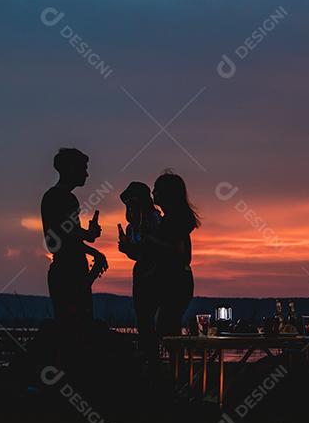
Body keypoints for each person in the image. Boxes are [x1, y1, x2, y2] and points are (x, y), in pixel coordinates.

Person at [40, 147, 106, 325]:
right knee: (78, 325)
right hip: (70, 270)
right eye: (83, 168)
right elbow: (68, 238)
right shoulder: (65, 198)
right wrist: (94, 250)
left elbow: (67, 235)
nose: (86, 174)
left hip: (63, 269)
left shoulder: (53, 196)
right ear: (71, 168)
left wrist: (88, 236)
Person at [117, 181, 164, 363]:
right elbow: (137, 254)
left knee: (158, 325)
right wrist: (128, 249)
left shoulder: (156, 220)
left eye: (132, 203)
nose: (129, 208)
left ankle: (155, 363)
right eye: (127, 204)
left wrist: (133, 248)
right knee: (144, 322)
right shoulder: (131, 227)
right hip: (141, 275)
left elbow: (157, 250)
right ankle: (149, 362)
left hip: (157, 275)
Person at [151, 170, 199, 340]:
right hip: (174, 279)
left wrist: (149, 240)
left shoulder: (176, 220)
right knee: (168, 327)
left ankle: (176, 365)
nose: (153, 192)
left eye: (156, 189)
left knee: (167, 328)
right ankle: (176, 365)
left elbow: (179, 251)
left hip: (175, 280)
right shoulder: (169, 219)